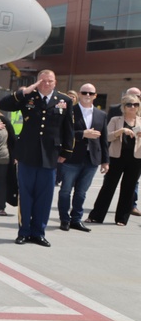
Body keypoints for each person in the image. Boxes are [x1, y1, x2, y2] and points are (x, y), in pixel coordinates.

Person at [0, 69, 74, 246]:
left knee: (45, 196)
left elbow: (68, 129)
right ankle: (24, 232)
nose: (46, 84)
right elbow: (4, 104)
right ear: (37, 81)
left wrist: (66, 152)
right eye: (43, 81)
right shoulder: (27, 97)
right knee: (25, 195)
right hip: (27, 153)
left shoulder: (64, 100)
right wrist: (24, 91)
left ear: (55, 82)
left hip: (50, 155)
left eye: (50, 81)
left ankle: (38, 232)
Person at [58, 83, 109, 231]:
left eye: (90, 93)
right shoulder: (70, 111)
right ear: (79, 94)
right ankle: (64, 219)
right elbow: (62, 134)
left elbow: (104, 140)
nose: (87, 95)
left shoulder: (101, 115)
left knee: (81, 192)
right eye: (84, 92)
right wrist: (82, 134)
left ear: (95, 96)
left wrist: (105, 161)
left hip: (92, 159)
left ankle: (76, 219)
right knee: (66, 190)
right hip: (72, 157)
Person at [87, 93, 141, 226]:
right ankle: (96, 216)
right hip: (116, 157)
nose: (132, 107)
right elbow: (107, 137)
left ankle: (122, 218)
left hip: (136, 159)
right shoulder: (116, 120)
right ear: (124, 107)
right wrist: (120, 131)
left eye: (135, 104)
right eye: (129, 104)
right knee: (108, 187)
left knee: (128, 189)